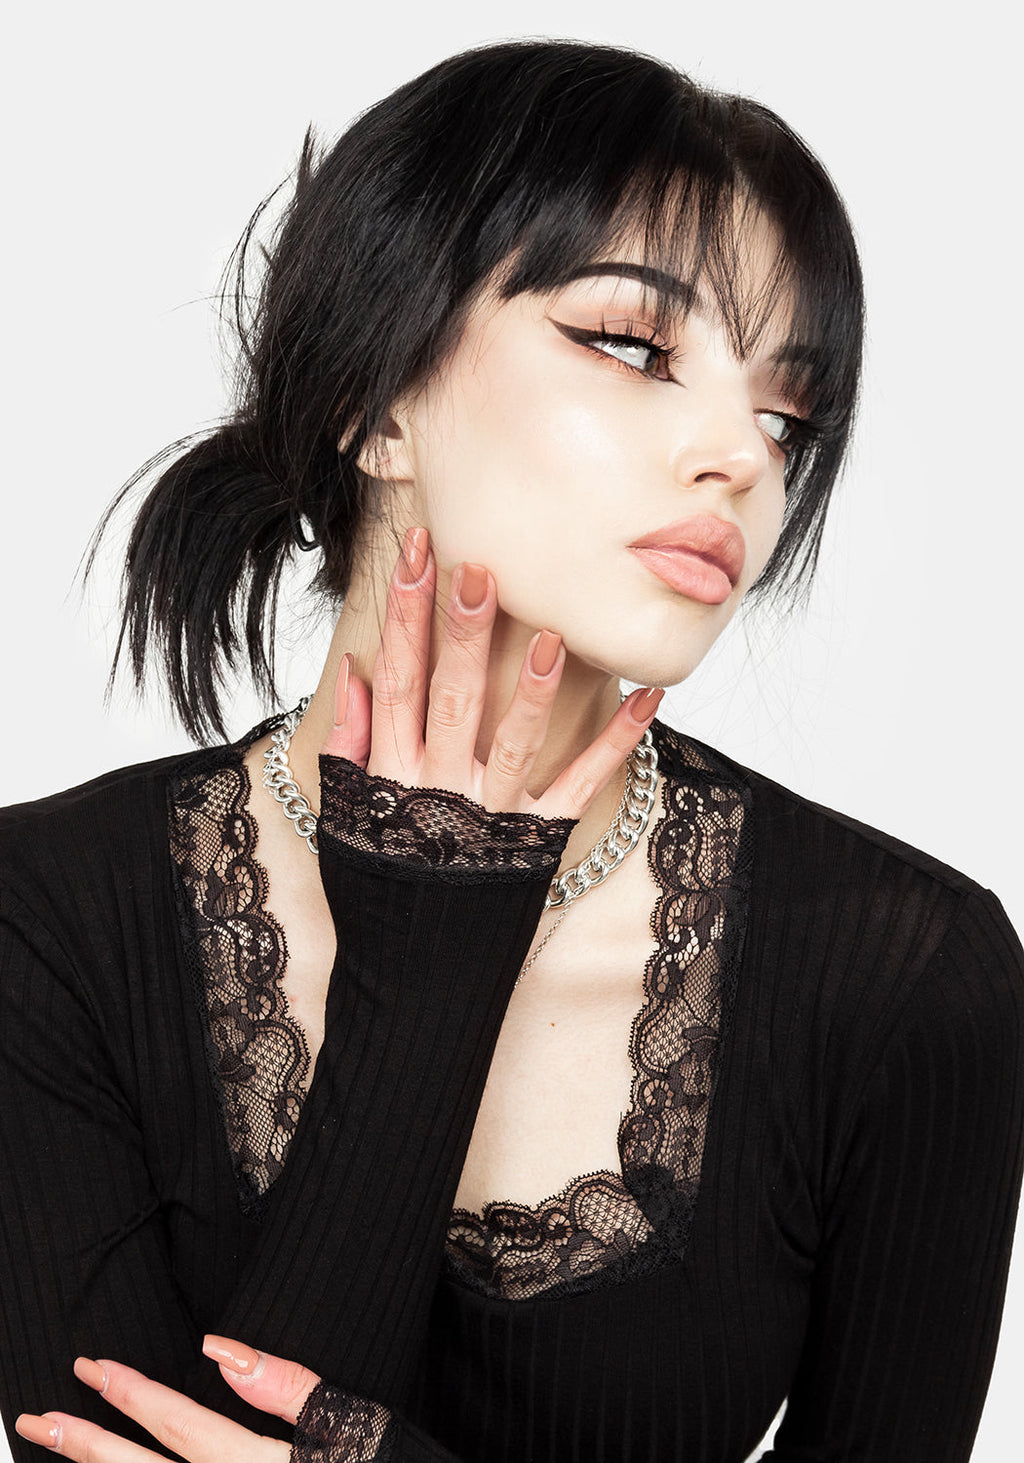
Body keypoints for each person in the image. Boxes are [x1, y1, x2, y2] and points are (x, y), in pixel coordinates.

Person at [1, 36, 1021, 1463]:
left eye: (786, 416)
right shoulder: (44, 918)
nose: (743, 457)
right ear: (376, 402)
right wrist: (428, 942)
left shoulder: (908, 974)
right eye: (633, 347)